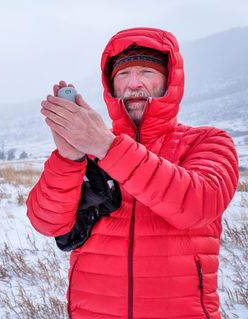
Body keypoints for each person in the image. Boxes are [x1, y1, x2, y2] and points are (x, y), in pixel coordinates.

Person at [26, 27, 239, 319]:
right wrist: (69, 156)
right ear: (111, 87)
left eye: (146, 72)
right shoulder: (89, 152)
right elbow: (46, 223)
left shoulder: (207, 142)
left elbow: (197, 204)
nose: (133, 84)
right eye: (123, 75)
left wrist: (106, 146)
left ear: (170, 81)